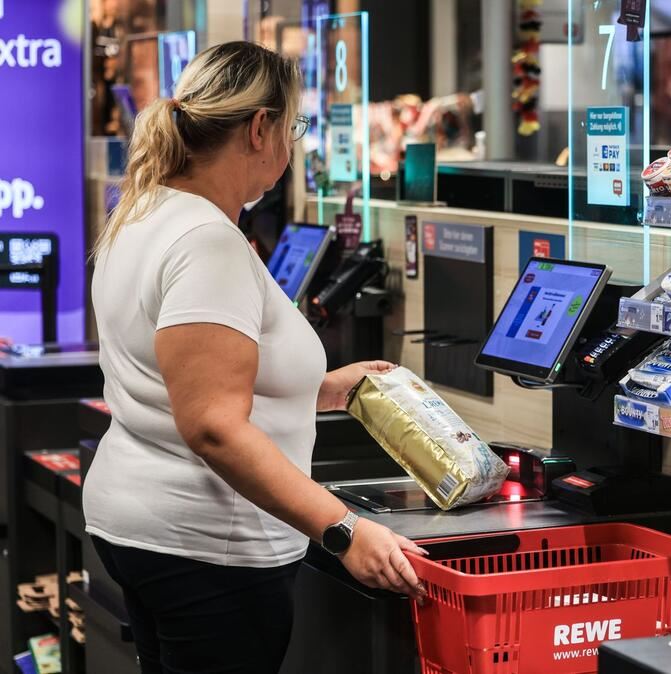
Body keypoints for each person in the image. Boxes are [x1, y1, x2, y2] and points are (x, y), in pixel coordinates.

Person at [86, 42, 424, 674]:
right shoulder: (207, 241)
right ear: (260, 128)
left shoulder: (144, 212)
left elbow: (181, 374)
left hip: (142, 525)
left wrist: (320, 387)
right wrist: (344, 529)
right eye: (291, 127)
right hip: (208, 546)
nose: (291, 147)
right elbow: (212, 423)